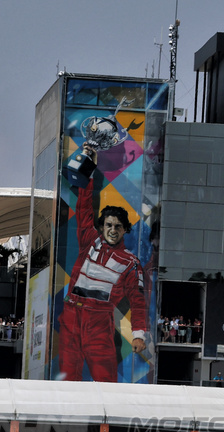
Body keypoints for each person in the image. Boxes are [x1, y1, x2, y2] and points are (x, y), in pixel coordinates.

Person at [58, 144, 147, 382]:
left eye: (118, 226)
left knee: (106, 382)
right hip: (70, 317)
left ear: (125, 229)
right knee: (67, 379)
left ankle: (107, 419)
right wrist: (90, 166)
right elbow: (84, 206)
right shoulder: (89, 240)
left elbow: (138, 302)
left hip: (98, 323)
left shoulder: (130, 263)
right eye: (108, 225)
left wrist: (139, 335)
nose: (113, 230)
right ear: (101, 226)